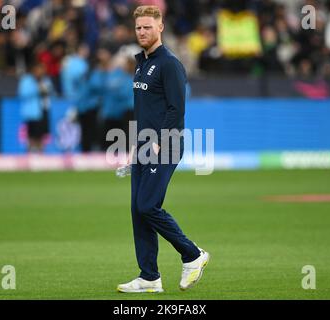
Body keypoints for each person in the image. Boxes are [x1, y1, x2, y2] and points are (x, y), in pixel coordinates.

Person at [116, 5, 209, 294]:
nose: (142, 32)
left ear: (160, 28)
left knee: (147, 206)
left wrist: (158, 140)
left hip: (165, 145)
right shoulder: (141, 63)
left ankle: (193, 255)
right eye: (138, 28)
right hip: (144, 144)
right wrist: (135, 147)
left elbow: (176, 109)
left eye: (147, 27)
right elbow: (144, 111)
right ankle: (149, 277)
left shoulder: (169, 63)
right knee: (137, 210)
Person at [18, 62, 55, 152]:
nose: (41, 72)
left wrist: (46, 90)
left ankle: (40, 154)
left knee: (42, 136)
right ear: (34, 71)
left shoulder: (46, 80)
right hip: (33, 113)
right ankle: (30, 153)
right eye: (39, 70)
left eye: (42, 70)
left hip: (44, 111)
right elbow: (23, 93)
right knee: (32, 136)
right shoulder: (27, 80)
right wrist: (37, 89)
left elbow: (52, 92)